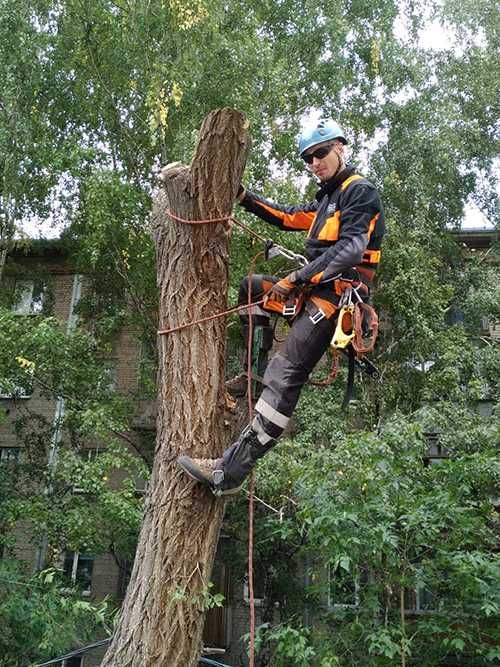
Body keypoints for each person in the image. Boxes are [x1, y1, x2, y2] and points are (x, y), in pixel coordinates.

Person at [177, 118, 385, 496]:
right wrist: (244, 198)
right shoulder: (327, 199)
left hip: (336, 298)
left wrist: (297, 279)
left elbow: (353, 248)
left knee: (286, 371)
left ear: (340, 147)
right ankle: (252, 374)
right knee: (251, 289)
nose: (314, 163)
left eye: (320, 153)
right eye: (308, 158)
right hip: (312, 288)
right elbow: (288, 217)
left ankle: (229, 472)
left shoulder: (360, 192)